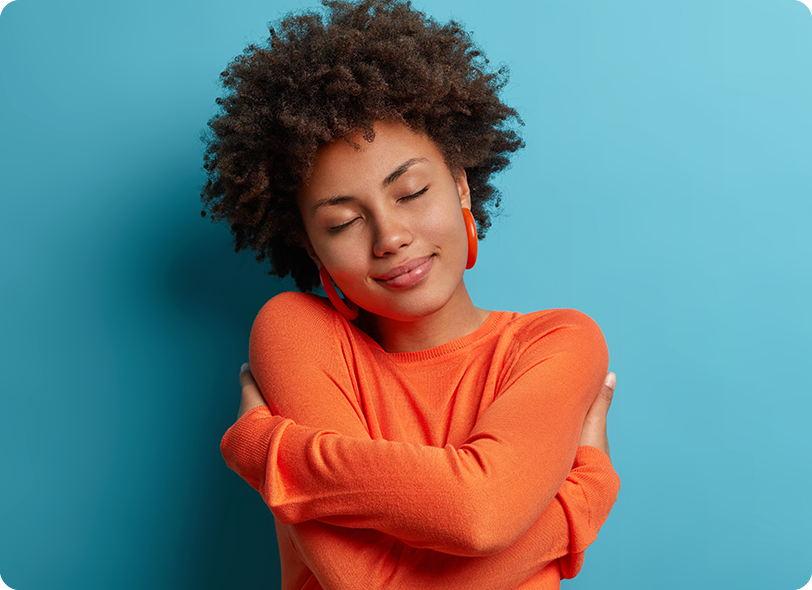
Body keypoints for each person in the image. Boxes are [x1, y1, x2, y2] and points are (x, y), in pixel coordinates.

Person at [201, 1, 620, 588]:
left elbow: (481, 512)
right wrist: (585, 496)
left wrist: (269, 451)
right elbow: (373, 580)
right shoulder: (295, 331)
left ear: (460, 185)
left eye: (412, 191)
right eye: (344, 223)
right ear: (312, 249)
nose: (391, 238)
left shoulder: (555, 343)